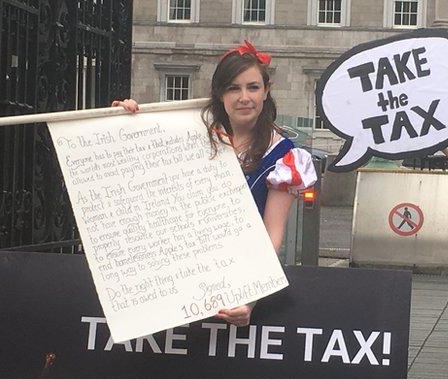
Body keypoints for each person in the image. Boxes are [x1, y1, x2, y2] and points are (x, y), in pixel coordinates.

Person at [112, 40, 316, 328]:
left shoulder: (284, 155)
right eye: (234, 88)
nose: (244, 97)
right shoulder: (194, 134)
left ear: (266, 91)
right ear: (220, 94)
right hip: (175, 280)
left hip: (237, 283)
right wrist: (126, 119)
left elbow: (272, 237)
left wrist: (249, 299)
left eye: (253, 87)